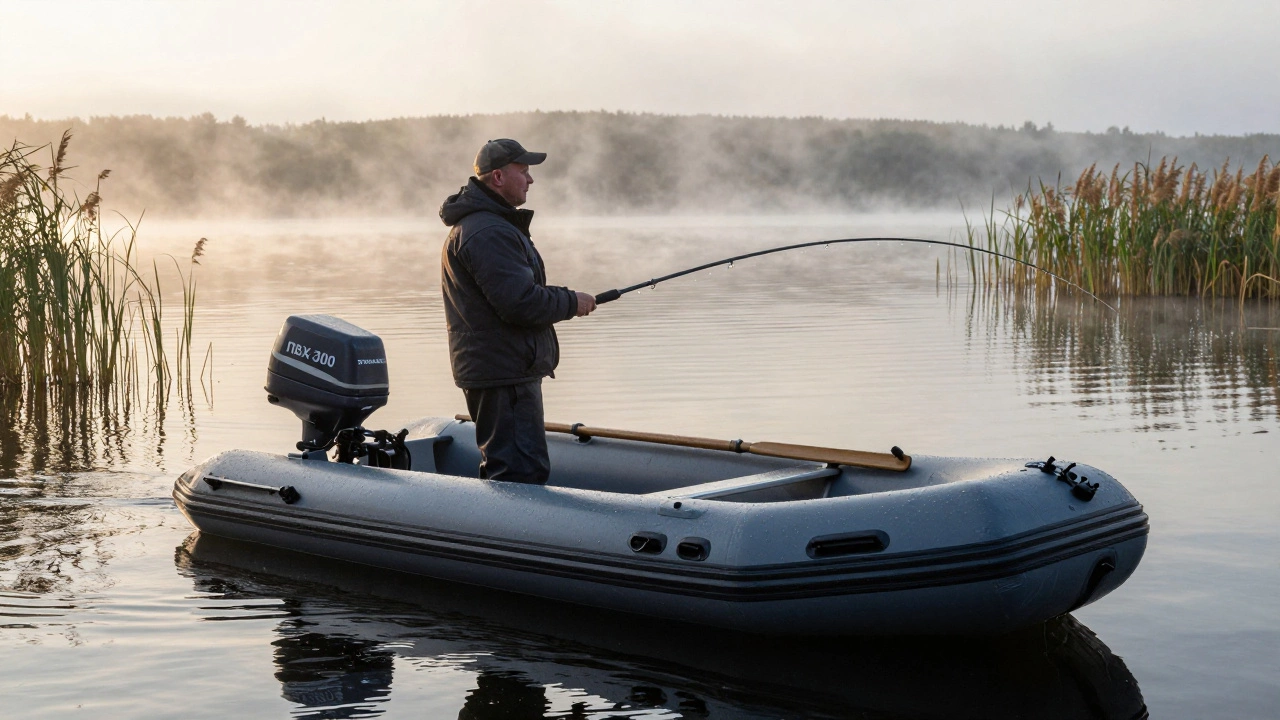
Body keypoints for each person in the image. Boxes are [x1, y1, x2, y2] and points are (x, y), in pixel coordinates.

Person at [439, 139, 596, 484]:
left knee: (513, 469)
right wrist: (572, 301)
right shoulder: (489, 231)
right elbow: (520, 303)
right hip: (503, 374)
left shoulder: (486, 225)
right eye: (523, 172)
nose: (531, 180)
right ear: (498, 177)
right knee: (518, 474)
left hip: (503, 370)